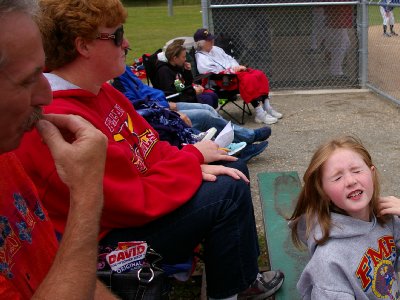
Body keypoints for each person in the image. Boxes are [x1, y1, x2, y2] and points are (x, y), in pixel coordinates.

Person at [15, 0, 285, 299]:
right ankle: (229, 292)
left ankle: (241, 279)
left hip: (137, 206)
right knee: (227, 190)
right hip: (106, 242)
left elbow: (152, 147)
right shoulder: (60, 120)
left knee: (232, 167)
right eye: (117, 35)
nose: (126, 43)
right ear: (84, 46)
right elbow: (130, 203)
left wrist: (191, 162)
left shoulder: (102, 90)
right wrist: (192, 161)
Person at [0, 0, 113, 298]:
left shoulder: (6, 154)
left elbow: (59, 266)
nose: (46, 95)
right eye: (27, 80)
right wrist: (87, 194)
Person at [289, 136, 400, 299]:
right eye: (337, 177)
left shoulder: (387, 219)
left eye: (356, 170)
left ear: (372, 173)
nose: (350, 181)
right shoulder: (329, 260)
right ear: (324, 192)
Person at [114, 65, 272, 161]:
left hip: (164, 104)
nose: (125, 47)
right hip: (160, 111)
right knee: (205, 116)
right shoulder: (119, 82)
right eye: (120, 43)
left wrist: (187, 72)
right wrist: (168, 109)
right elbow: (138, 108)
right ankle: (244, 142)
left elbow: (149, 92)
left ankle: (237, 143)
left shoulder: (124, 71)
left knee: (208, 109)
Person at [193, 28, 283, 125]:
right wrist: (232, 70)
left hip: (234, 74)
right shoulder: (201, 57)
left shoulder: (216, 49)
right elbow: (213, 72)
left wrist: (236, 67)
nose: (212, 41)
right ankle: (259, 113)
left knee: (259, 74)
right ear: (200, 43)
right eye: (208, 40)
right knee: (249, 79)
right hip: (223, 81)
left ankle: (267, 106)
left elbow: (230, 59)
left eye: (211, 39)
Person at [155, 39, 219, 109]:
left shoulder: (176, 67)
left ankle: (211, 116)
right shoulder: (164, 71)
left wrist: (187, 71)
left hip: (185, 95)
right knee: (208, 99)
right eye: (183, 57)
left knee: (213, 95)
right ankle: (208, 117)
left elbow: (183, 85)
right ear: (175, 58)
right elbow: (173, 93)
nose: (185, 59)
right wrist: (193, 92)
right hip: (178, 101)